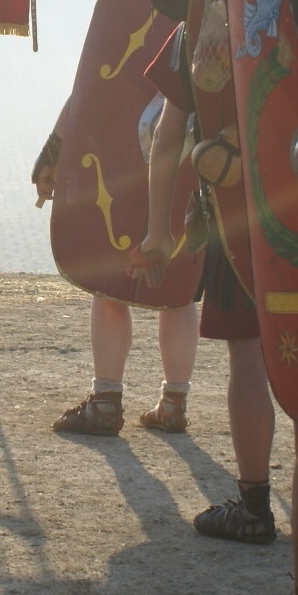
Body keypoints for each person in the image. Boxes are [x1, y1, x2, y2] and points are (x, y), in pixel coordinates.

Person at [132, 24, 279, 543]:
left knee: (249, 356)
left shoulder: (207, 3)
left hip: (236, 212)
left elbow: (169, 132)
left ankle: (256, 506)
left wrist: (156, 230)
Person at [32, 114, 200, 435]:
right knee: (178, 279)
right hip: (188, 141)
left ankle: (106, 403)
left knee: (111, 277)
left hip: (123, 147)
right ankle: (173, 404)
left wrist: (55, 146)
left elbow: (94, 78)